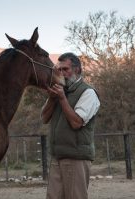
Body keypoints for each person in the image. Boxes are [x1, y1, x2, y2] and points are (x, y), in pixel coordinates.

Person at [41, 52, 100, 199]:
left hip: (76, 158)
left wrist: (61, 98)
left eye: (65, 69)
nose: (62, 73)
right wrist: (52, 98)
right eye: (59, 70)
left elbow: (76, 122)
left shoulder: (88, 92)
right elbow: (44, 118)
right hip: (57, 156)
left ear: (77, 69)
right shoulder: (61, 91)